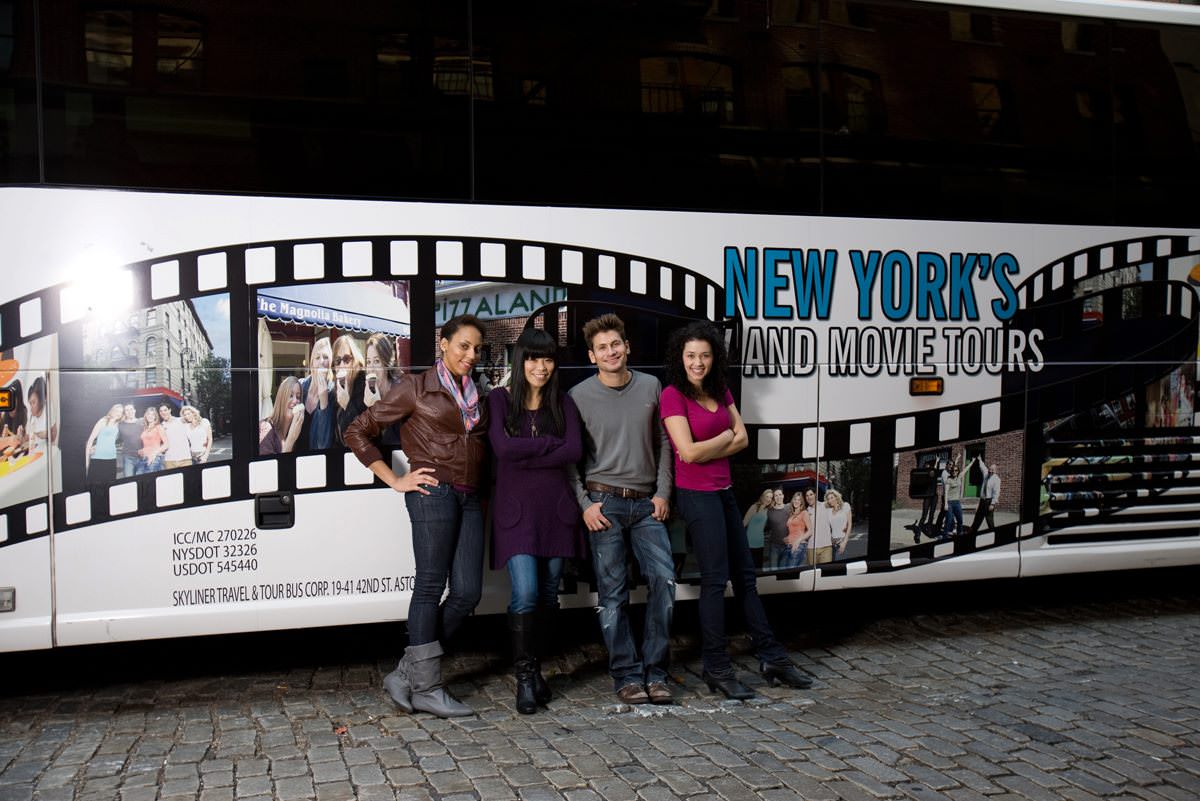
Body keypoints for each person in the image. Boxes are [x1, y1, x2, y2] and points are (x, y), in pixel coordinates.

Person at [344, 314, 489, 718]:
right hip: (432, 494)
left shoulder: (478, 391)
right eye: (463, 345)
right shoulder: (415, 387)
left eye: (477, 348)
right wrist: (394, 478)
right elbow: (357, 430)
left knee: (466, 592)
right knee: (429, 586)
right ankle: (427, 687)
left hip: (470, 498)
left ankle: (406, 673)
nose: (471, 355)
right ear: (443, 344)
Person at [660, 321, 813, 699]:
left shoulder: (720, 390)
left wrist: (718, 442)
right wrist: (725, 437)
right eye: (691, 355)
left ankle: (772, 657)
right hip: (695, 495)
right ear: (681, 357)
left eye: (705, 355)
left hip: (725, 491)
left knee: (746, 577)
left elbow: (742, 439)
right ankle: (717, 668)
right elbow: (688, 453)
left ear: (715, 358)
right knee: (714, 581)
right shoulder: (672, 396)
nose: (698, 362)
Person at [567, 313, 675, 706]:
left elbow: (665, 443)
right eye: (602, 348)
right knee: (612, 596)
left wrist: (663, 493)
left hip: (647, 504)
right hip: (604, 503)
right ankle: (627, 676)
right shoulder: (578, 396)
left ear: (627, 347)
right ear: (592, 355)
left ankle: (657, 673)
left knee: (664, 581)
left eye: (616, 344)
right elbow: (569, 460)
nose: (610, 352)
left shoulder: (651, 386)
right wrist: (584, 505)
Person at [486, 328, 583, 714]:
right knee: (525, 592)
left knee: (547, 596)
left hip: (557, 512)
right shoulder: (499, 400)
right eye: (532, 358)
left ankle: (538, 670)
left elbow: (573, 449)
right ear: (520, 360)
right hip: (515, 514)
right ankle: (524, 680)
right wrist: (548, 446)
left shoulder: (564, 403)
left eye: (547, 359)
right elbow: (503, 449)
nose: (540, 367)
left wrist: (528, 453)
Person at [363, 332, 402, 446]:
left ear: (387, 364)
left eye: (376, 361)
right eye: (369, 362)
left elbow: (395, 443)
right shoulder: (367, 393)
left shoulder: (400, 393)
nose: (371, 369)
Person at [300, 337, 336, 451]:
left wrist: (324, 402)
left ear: (330, 363)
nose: (321, 361)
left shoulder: (334, 393)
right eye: (317, 357)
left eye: (325, 357)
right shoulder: (300, 387)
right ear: (311, 363)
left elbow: (323, 445)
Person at [332, 335, 367, 444]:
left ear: (355, 360)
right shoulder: (335, 388)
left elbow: (363, 436)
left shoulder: (365, 385)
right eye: (338, 361)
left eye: (346, 359)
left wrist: (347, 405)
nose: (342, 365)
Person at [258, 377, 305, 456]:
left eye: (298, 397)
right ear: (281, 398)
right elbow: (271, 467)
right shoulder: (266, 428)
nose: (295, 401)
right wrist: (291, 439)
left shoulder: (297, 433)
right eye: (290, 395)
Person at [84, 403, 123, 485]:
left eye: (121, 412)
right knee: (95, 486)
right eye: (117, 411)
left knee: (109, 486)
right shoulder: (103, 421)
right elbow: (90, 440)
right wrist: (87, 461)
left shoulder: (118, 424)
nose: (118, 413)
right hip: (98, 458)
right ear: (112, 411)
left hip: (111, 458)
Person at [742, 489, 774, 570]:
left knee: (759, 567)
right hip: (749, 541)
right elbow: (744, 523)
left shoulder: (768, 510)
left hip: (760, 542)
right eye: (767, 496)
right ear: (763, 496)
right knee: (749, 567)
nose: (768, 499)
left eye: (770, 497)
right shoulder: (755, 507)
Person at [967, 459, 1000, 535]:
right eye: (990, 469)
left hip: (989, 501)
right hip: (982, 500)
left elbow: (996, 493)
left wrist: (992, 504)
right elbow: (983, 467)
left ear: (996, 471)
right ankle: (973, 531)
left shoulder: (996, 479)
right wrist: (979, 460)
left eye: (993, 470)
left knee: (989, 519)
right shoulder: (986, 474)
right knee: (978, 516)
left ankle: (992, 532)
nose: (990, 471)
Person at [158, 403, 191, 470]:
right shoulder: (161, 426)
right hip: (169, 461)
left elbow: (193, 420)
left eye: (165, 410)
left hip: (185, 459)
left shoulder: (181, 420)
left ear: (169, 410)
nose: (163, 412)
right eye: (161, 411)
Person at [26, 377, 54, 453]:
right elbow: (28, 437)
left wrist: (46, 434)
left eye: (33, 402)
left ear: (42, 399)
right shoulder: (32, 417)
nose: (31, 407)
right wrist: (21, 437)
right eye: (30, 403)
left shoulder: (49, 410)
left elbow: (53, 435)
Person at [784, 491, 812, 568]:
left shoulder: (804, 513)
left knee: (789, 571)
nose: (796, 501)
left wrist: (798, 540)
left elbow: (810, 531)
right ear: (792, 500)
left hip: (799, 546)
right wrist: (787, 538)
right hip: (788, 545)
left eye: (799, 500)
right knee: (786, 570)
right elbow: (792, 530)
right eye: (795, 499)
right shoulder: (791, 515)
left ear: (801, 502)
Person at [764, 488, 790, 569]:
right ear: (774, 498)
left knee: (783, 573)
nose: (778, 497)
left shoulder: (789, 509)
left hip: (787, 546)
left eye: (780, 495)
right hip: (774, 545)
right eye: (776, 495)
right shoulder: (769, 511)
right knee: (773, 570)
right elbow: (765, 526)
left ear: (783, 496)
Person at [135, 407, 165, 474]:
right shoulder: (145, 428)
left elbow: (166, 444)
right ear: (146, 415)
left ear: (155, 417)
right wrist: (142, 450)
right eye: (148, 414)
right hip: (143, 458)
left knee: (150, 482)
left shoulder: (158, 427)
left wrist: (154, 454)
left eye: (152, 414)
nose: (150, 416)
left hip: (154, 458)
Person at [825, 488, 853, 559]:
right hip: (832, 544)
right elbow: (828, 527)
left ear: (836, 497)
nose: (830, 500)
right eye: (828, 499)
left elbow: (849, 524)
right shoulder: (828, 511)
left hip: (842, 541)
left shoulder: (845, 506)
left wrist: (844, 542)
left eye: (831, 498)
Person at [941, 455, 964, 539]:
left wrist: (972, 462)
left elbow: (961, 470)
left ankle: (959, 533)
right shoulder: (945, 475)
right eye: (950, 465)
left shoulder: (958, 476)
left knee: (960, 520)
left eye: (955, 470)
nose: (952, 468)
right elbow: (946, 492)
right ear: (947, 465)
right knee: (948, 519)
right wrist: (946, 504)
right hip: (948, 500)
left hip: (957, 502)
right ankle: (944, 536)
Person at [117, 404, 142, 478]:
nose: (129, 412)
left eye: (131, 409)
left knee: (141, 480)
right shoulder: (120, 425)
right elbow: (113, 438)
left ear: (135, 410)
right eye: (127, 410)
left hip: (142, 457)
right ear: (125, 413)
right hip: (128, 457)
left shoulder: (142, 422)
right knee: (128, 480)